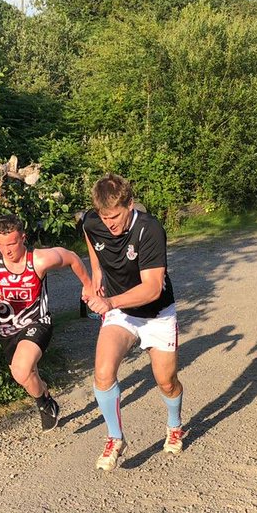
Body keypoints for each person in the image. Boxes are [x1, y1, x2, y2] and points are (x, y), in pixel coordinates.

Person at [82, 174, 182, 471]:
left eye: (115, 216)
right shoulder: (93, 222)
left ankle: (174, 425)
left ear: (130, 204)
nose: (109, 224)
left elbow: (152, 288)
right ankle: (115, 438)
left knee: (166, 382)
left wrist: (110, 301)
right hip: (122, 314)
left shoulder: (150, 229)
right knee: (103, 373)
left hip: (157, 313)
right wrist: (96, 271)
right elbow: (89, 233)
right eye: (104, 217)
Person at [0, 214, 92, 432]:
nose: (6, 250)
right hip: (8, 329)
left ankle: (43, 404)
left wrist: (88, 285)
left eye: (11, 244)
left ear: (23, 238)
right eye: (0, 244)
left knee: (21, 369)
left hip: (37, 322)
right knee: (25, 376)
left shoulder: (39, 259)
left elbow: (72, 257)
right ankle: (45, 397)